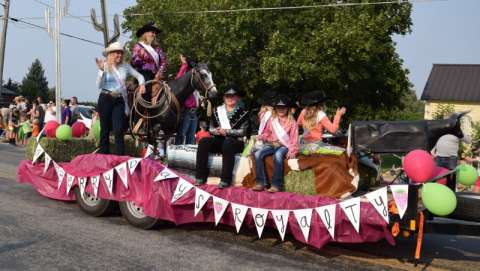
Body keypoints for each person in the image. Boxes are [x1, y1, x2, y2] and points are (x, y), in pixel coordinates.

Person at [95, 41, 145, 155]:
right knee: (105, 130)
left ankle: (120, 158)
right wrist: (101, 71)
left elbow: (139, 76)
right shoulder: (105, 66)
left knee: (119, 130)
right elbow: (98, 85)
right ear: (111, 54)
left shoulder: (125, 66)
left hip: (119, 100)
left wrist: (142, 84)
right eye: (117, 53)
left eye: (121, 53)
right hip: (105, 99)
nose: (120, 55)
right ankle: (104, 156)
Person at [195, 84, 249, 188]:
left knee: (228, 143)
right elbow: (210, 129)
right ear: (224, 98)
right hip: (220, 140)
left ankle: (225, 179)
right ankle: (200, 177)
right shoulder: (216, 111)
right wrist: (217, 131)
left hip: (236, 142)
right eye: (227, 96)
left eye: (232, 96)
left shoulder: (244, 113)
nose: (230, 98)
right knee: (203, 141)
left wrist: (227, 132)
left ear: (237, 97)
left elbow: (243, 132)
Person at [252, 95, 299, 192]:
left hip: (284, 146)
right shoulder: (272, 120)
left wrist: (292, 151)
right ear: (275, 108)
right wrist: (261, 136)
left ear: (288, 108)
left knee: (278, 155)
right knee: (257, 154)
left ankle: (276, 185)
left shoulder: (292, 122)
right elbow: (268, 133)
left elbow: (294, 139)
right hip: (272, 144)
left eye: (283, 107)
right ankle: (261, 183)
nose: (281, 109)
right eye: (279, 107)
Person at [175, 54, 200, 145]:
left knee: (191, 134)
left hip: (194, 111)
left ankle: (188, 154)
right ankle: (177, 150)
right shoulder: (186, 73)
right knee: (182, 133)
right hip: (186, 110)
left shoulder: (195, 75)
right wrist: (184, 64)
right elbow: (178, 79)